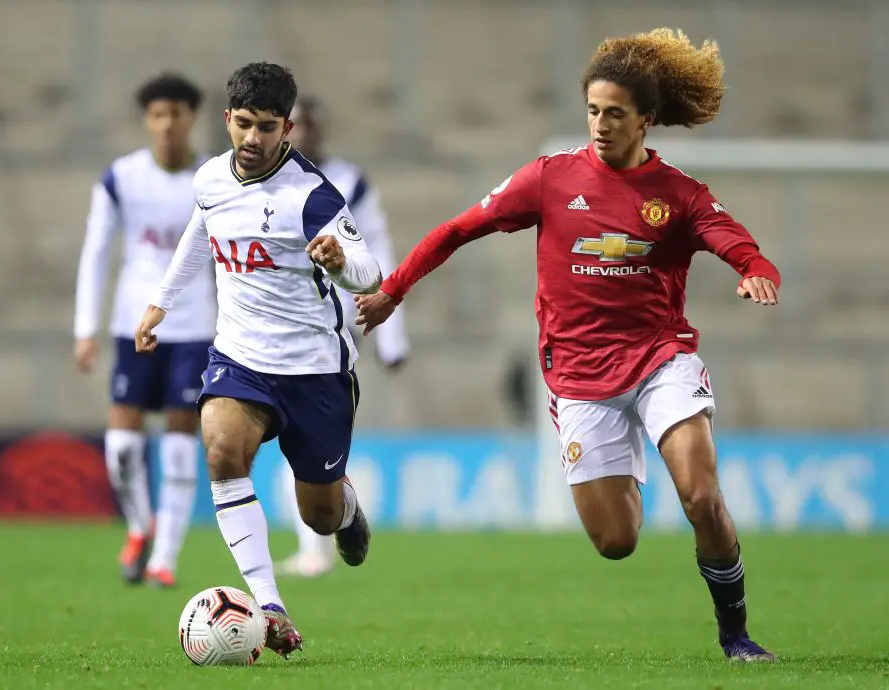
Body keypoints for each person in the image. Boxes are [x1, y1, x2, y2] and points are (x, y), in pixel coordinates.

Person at [355, 28, 779, 662]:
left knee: (700, 494)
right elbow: (457, 229)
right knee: (617, 541)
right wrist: (394, 290)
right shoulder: (549, 179)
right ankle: (633, 457)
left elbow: (740, 246)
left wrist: (756, 272)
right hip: (579, 376)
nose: (600, 125)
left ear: (647, 120)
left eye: (615, 114)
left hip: (661, 358)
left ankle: (736, 635)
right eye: (592, 111)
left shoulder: (680, 194)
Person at [134, 62, 382, 658]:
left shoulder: (312, 195)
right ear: (227, 119)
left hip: (315, 370)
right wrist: (159, 303)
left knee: (318, 516)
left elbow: (371, 273)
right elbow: (201, 233)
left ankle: (345, 509)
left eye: (267, 127)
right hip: (240, 356)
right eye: (243, 124)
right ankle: (269, 605)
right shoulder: (212, 179)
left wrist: (338, 262)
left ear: (287, 128)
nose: (253, 138)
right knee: (221, 450)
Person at [73, 73, 215, 589]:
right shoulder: (120, 178)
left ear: (192, 117)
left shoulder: (214, 178)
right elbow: (95, 252)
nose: (167, 125)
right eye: (158, 114)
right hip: (131, 321)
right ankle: (140, 527)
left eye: (177, 113)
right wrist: (85, 327)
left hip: (194, 324)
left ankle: (166, 559)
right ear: (146, 120)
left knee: (180, 445)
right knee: (122, 448)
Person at [274, 95, 410, 578]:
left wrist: (393, 336)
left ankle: (326, 531)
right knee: (294, 436)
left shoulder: (348, 181)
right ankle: (321, 537)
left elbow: (379, 246)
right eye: (296, 125)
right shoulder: (263, 184)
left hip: (341, 318)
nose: (303, 133)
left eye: (311, 124)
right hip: (284, 322)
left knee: (311, 436)